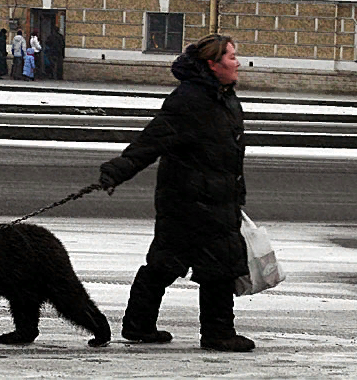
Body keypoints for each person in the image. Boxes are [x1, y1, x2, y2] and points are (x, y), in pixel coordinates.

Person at [97, 33, 255, 353]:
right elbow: (153, 139)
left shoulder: (224, 98)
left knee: (166, 261)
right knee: (217, 266)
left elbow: (229, 155)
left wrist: (236, 193)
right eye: (231, 57)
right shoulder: (190, 99)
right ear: (213, 64)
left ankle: (139, 324)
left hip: (212, 197)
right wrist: (118, 170)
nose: (238, 63)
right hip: (190, 199)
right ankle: (218, 333)